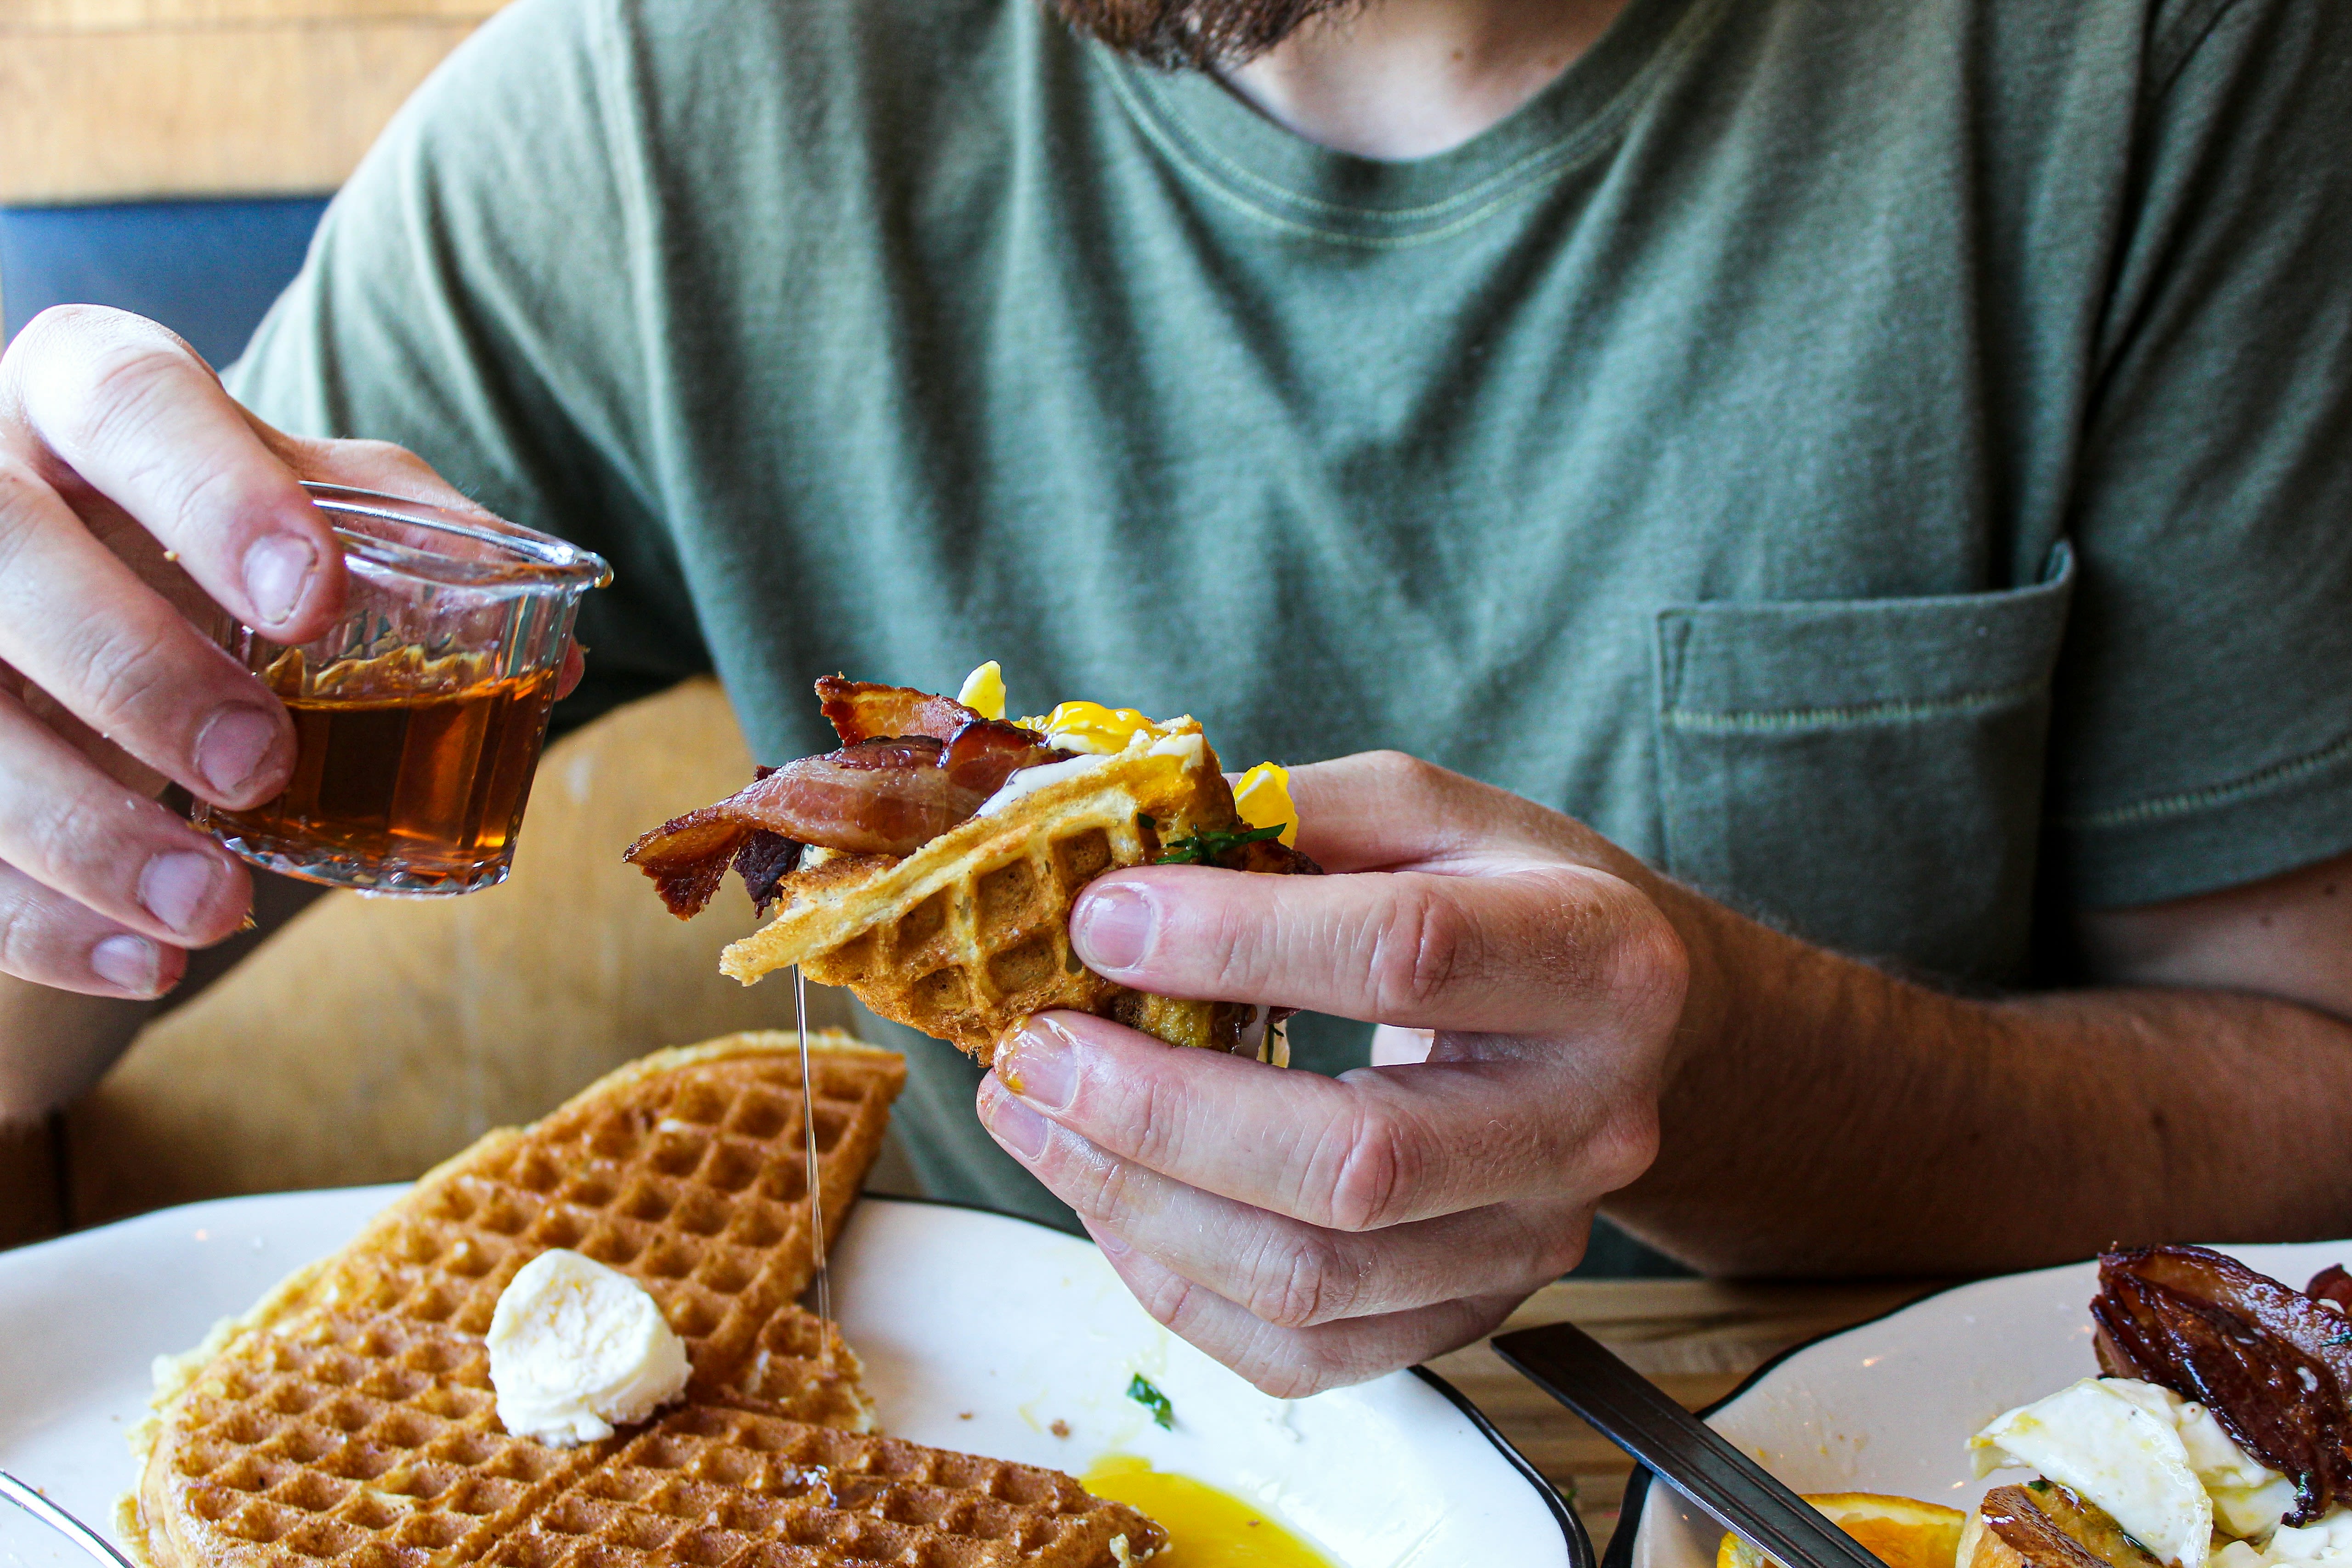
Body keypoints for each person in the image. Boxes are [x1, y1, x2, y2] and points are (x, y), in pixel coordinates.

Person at [1, 0, 2347, 1397]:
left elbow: (2309, 1082)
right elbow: (54, 977)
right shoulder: (657, 109)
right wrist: (49, 713)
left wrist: (1722, 1070)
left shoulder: (2153, 67)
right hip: (1017, 1452)